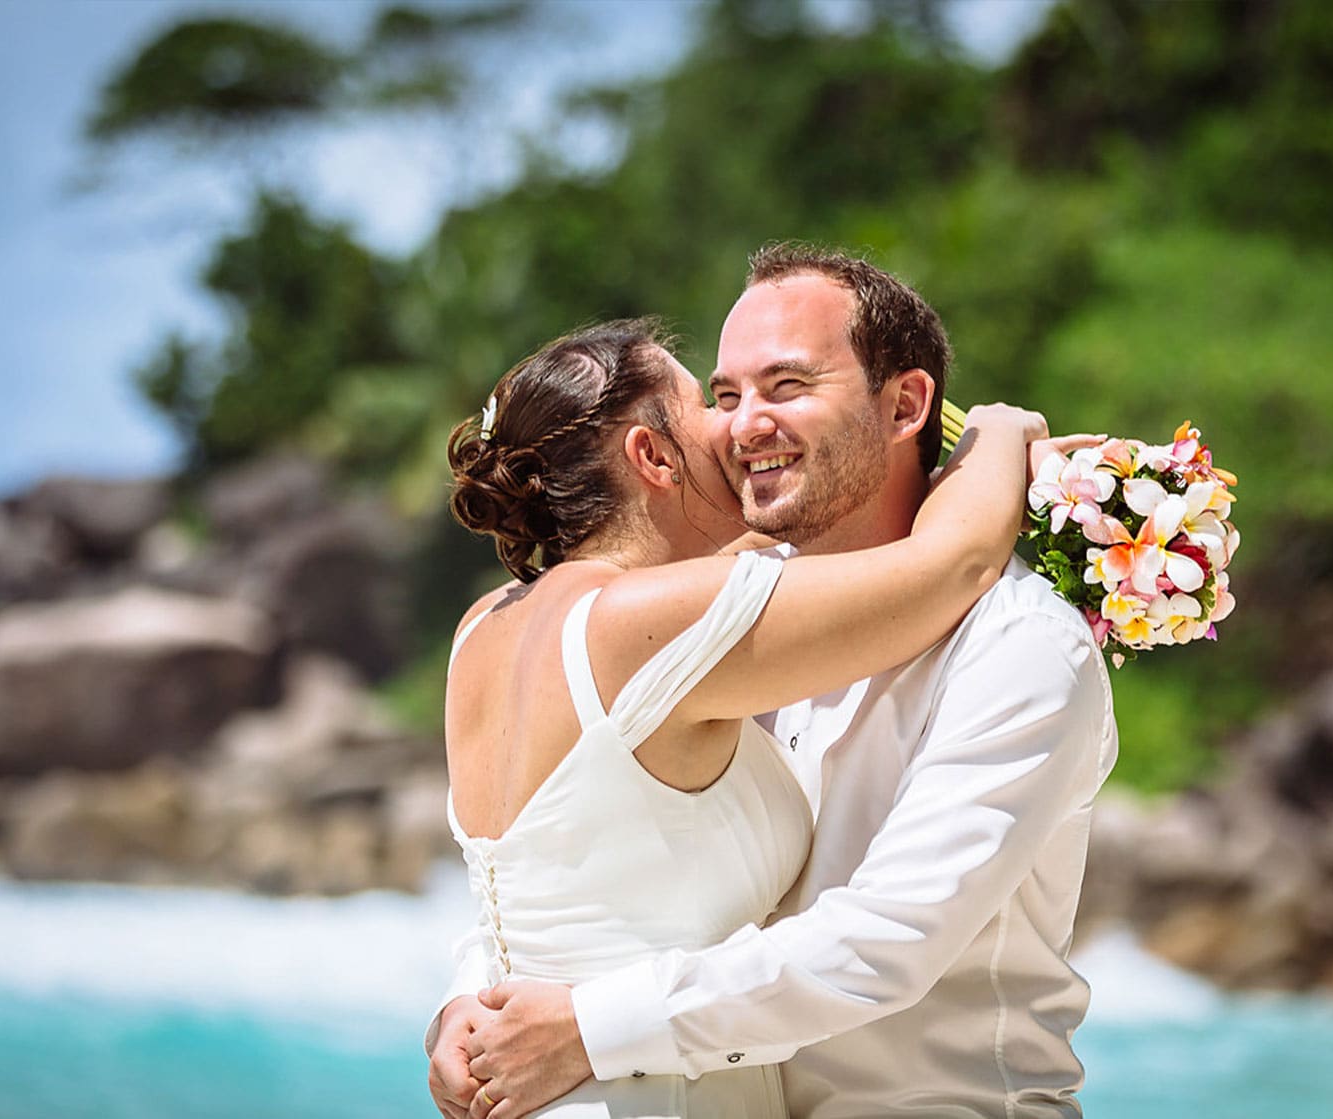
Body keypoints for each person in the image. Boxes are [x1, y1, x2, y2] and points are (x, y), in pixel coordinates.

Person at [431, 248, 1118, 1119]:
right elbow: (560, 870)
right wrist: (1003, 438)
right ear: (652, 453)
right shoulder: (715, 618)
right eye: (721, 397)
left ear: (906, 404)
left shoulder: (1018, 643)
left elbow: (883, 939)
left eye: (785, 385)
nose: (743, 425)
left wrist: (569, 1022)